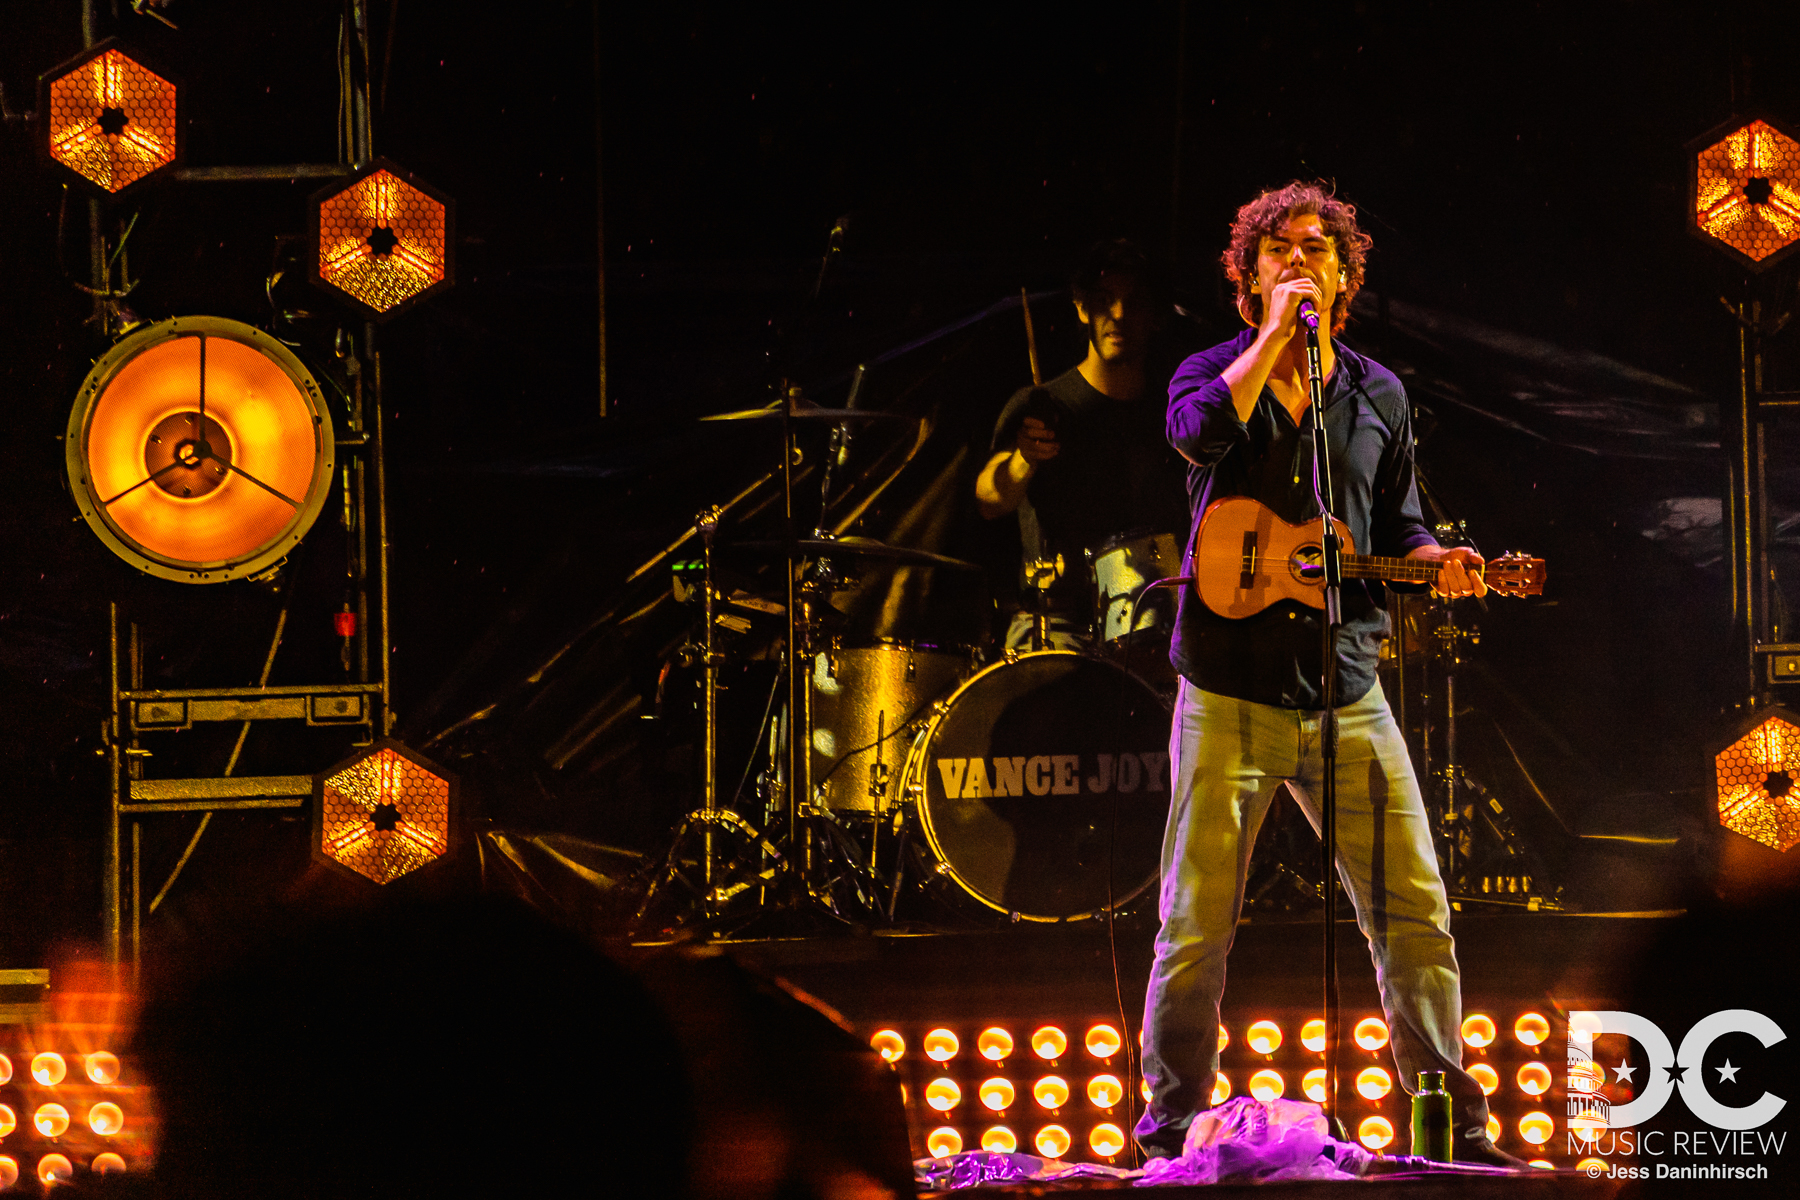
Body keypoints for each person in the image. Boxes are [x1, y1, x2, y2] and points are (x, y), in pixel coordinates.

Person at [1135, 181, 1521, 1168]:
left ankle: (1454, 1130)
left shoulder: (1378, 393)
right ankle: (1173, 1128)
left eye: (1319, 249)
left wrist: (1438, 564)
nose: (1299, 259)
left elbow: (1402, 524)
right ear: (1247, 275)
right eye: (1277, 249)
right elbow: (1197, 437)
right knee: (1194, 924)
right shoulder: (1212, 367)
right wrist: (1273, 338)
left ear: (1348, 276)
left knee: (1416, 917)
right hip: (1225, 693)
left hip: (1349, 691)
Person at [976, 239, 1190, 650]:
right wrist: (1023, 459)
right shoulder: (1040, 405)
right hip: (1057, 625)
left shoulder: (1174, 412)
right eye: (1104, 301)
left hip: (1155, 624)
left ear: (1157, 316)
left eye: (1135, 302)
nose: (1118, 315)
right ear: (1081, 308)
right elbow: (989, 498)